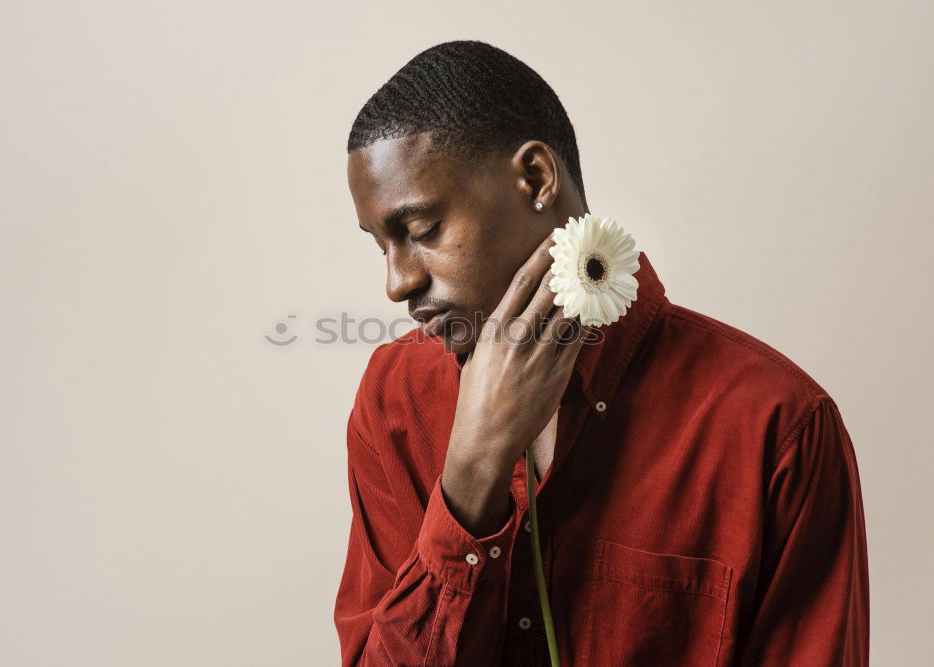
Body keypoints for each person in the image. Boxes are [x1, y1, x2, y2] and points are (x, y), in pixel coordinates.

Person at [334, 39, 868, 666]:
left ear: (536, 178)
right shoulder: (393, 399)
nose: (396, 284)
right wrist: (472, 471)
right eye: (381, 246)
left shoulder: (776, 426)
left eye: (421, 230)